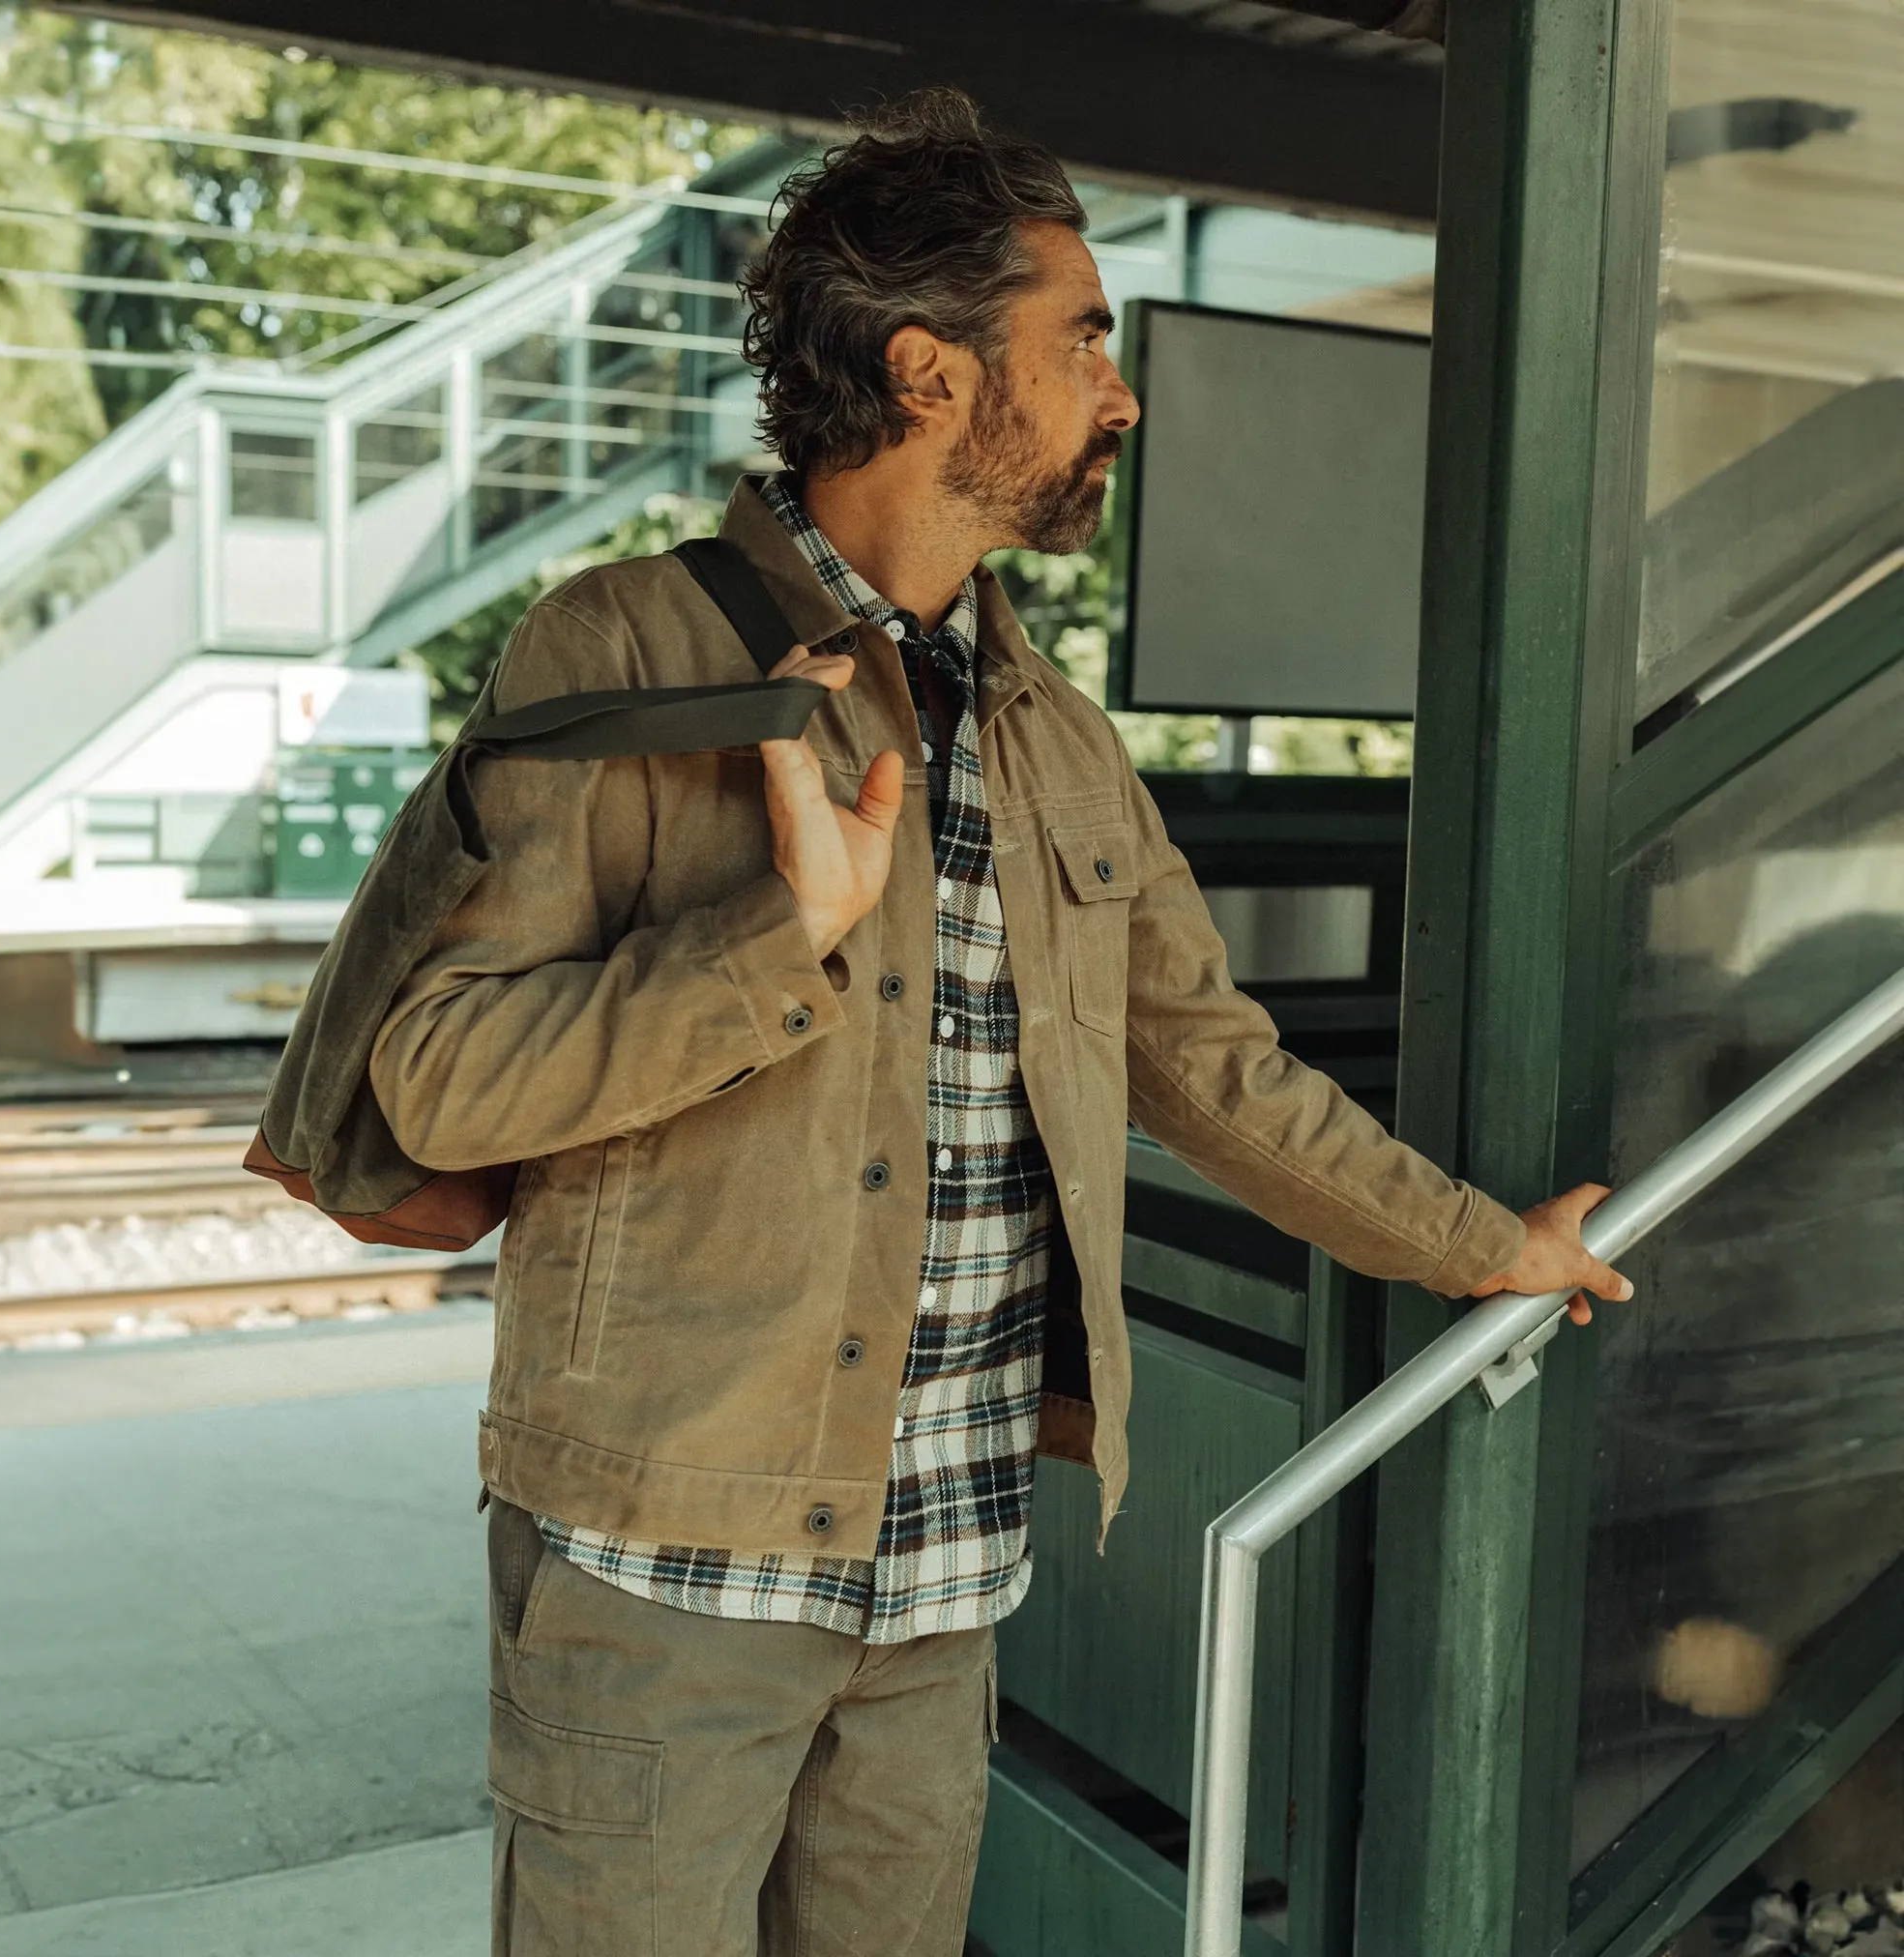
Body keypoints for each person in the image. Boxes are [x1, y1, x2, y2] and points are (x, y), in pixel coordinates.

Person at [367, 86, 1630, 1957]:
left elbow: (1213, 1070)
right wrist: (780, 925)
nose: (1121, 394)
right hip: (664, 1572)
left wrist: (1481, 1251)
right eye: (1085, 339)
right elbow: (443, 1079)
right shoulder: (625, 651)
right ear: (929, 373)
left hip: (942, 1583)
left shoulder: (1053, 737)